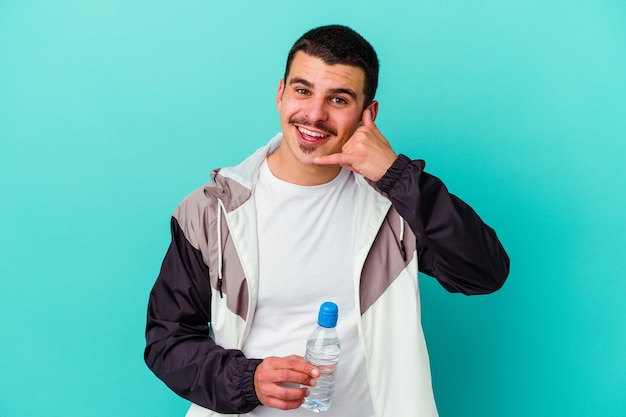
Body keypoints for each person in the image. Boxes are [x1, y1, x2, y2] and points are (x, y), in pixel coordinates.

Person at [144, 25, 510, 417]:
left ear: (368, 115)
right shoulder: (212, 210)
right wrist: (247, 380)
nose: (315, 115)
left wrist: (396, 175)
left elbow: (483, 274)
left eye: (338, 99)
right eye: (303, 91)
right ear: (280, 93)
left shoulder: (395, 206)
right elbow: (167, 340)